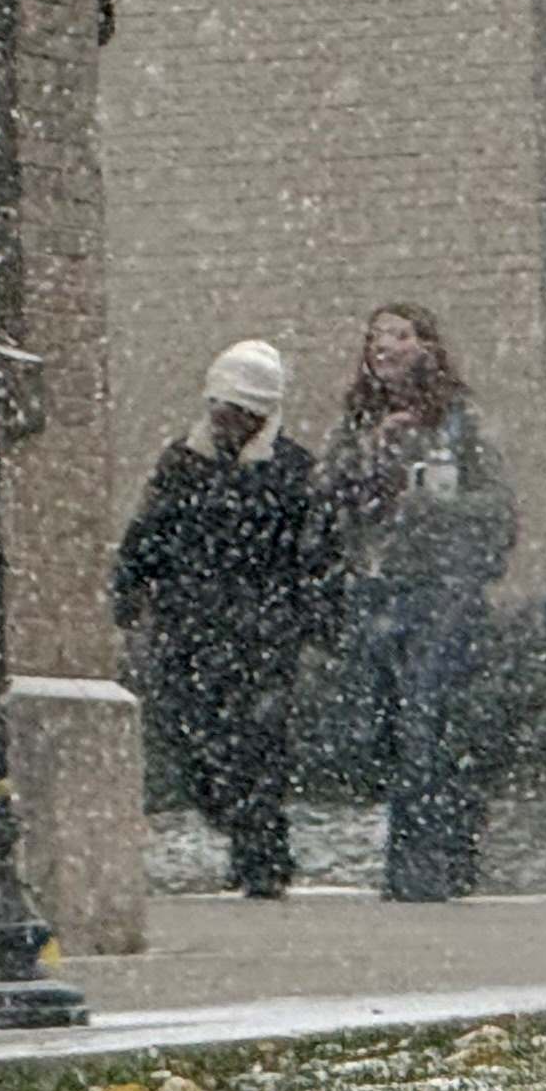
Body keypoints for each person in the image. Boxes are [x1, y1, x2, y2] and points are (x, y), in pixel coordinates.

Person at [112, 340, 344, 899]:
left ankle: (261, 855)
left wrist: (317, 621)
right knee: (191, 740)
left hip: (262, 633)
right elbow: (149, 531)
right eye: (219, 405)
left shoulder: (293, 472)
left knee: (258, 746)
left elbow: (317, 555)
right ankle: (237, 821)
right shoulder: (182, 463)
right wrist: (130, 588)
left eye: (239, 409)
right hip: (188, 627)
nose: (225, 418)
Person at [313, 304, 518, 902]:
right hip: (374, 589)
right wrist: (368, 456)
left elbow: (500, 511)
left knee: (423, 722)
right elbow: (326, 495)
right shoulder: (356, 422)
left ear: (428, 346)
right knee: (376, 731)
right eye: (375, 336)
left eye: (400, 335)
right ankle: (451, 842)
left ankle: (420, 870)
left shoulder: (459, 422)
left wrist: (431, 503)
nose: (384, 346)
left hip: (442, 591)